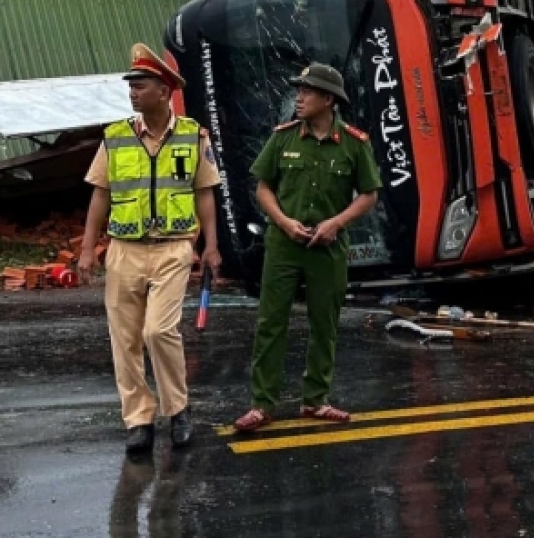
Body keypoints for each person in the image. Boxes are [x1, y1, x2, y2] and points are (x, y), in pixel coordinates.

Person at [77, 43, 222, 454]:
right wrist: (89, 249)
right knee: (124, 338)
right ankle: (138, 419)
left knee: (158, 330)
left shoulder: (194, 136)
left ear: (165, 91)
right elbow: (100, 196)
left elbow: (205, 193)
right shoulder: (116, 137)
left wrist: (211, 246)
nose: (132, 92)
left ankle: (177, 410)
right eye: (131, 86)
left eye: (140, 85)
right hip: (124, 249)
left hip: (174, 247)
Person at [234, 63, 381, 433]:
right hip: (284, 244)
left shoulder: (353, 143)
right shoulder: (283, 138)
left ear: (328, 99)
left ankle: (316, 400)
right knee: (271, 322)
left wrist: (336, 223)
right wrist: (283, 221)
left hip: (328, 247)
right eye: (298, 91)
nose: (298, 98)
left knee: (324, 323)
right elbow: (263, 187)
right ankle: (261, 405)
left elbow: (369, 194)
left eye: (307, 91)